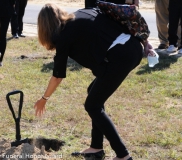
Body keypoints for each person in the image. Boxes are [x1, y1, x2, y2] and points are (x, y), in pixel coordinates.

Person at [34, 3, 153, 160]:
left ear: (44, 28)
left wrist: (44, 99)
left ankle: (123, 155)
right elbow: (121, 20)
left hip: (121, 57)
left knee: (92, 105)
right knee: (94, 94)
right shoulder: (83, 13)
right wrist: (145, 42)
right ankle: (96, 147)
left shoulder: (63, 36)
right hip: (131, 48)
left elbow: (57, 77)